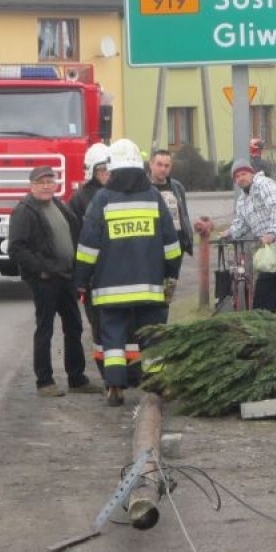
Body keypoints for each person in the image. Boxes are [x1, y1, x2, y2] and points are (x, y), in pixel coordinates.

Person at [74, 138, 182, 407]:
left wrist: (81, 280)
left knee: (113, 339)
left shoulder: (102, 200)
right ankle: (156, 387)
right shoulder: (153, 197)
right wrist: (172, 275)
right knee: (153, 336)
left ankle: (114, 386)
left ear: (112, 168)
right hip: (150, 286)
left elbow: (88, 246)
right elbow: (172, 245)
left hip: (110, 289)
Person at [9, 166, 103, 397]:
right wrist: (42, 270)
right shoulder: (24, 211)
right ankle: (44, 381)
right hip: (44, 281)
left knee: (74, 327)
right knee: (45, 329)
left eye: (49, 181)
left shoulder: (59, 205)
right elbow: (16, 249)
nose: (46, 185)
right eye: (41, 182)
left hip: (66, 278)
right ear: (31, 185)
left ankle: (77, 378)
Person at [222, 158, 276, 332]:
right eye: (237, 176)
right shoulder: (243, 201)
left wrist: (272, 232)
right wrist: (229, 234)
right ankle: (262, 339)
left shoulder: (264, 185)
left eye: (244, 174)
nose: (241, 178)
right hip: (271, 253)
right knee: (263, 300)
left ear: (252, 173)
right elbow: (241, 223)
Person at [68, 142, 110, 381]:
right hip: (92, 277)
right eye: (101, 169)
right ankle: (107, 374)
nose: (106, 174)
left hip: (115, 272)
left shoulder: (117, 195)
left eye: (108, 169)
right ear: (92, 171)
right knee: (98, 327)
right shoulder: (79, 199)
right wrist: (80, 277)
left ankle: (127, 372)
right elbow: (75, 240)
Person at [148, 149, 193, 318]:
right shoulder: (145, 188)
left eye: (167, 165)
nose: (163, 169)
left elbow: (184, 214)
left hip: (176, 247)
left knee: (168, 290)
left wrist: (187, 237)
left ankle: (162, 323)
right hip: (154, 246)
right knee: (153, 289)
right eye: (159, 165)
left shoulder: (177, 187)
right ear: (151, 164)